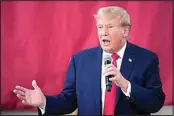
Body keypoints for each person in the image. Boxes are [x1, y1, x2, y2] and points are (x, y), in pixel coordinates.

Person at [13, 6, 165, 115]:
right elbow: (69, 100)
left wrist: (126, 85)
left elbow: (155, 102)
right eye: (100, 27)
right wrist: (44, 102)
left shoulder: (146, 59)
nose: (103, 32)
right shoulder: (80, 60)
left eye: (110, 27)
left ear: (125, 31)